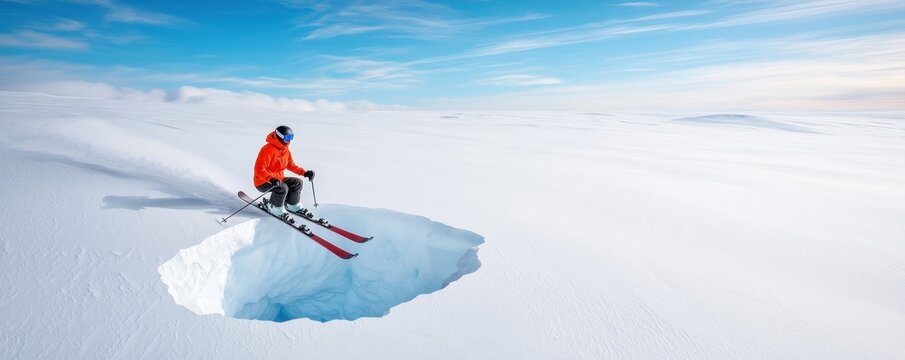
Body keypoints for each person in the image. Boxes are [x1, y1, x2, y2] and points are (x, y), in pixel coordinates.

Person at [253, 125, 315, 216]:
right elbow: (259, 169)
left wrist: (304, 173)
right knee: (282, 187)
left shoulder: (285, 150)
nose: (290, 140)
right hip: (262, 181)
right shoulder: (267, 150)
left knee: (297, 183)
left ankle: (292, 205)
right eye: (287, 137)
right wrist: (271, 179)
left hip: (278, 179)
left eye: (291, 137)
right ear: (280, 137)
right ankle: (274, 207)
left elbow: (290, 165)